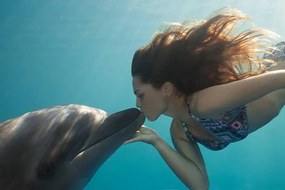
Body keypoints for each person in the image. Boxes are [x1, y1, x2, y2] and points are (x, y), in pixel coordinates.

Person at [125, 8, 285, 190]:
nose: (138, 104)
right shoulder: (180, 130)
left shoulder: (203, 103)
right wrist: (156, 140)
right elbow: (200, 185)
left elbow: (281, 78)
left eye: (140, 94)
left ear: (167, 88)